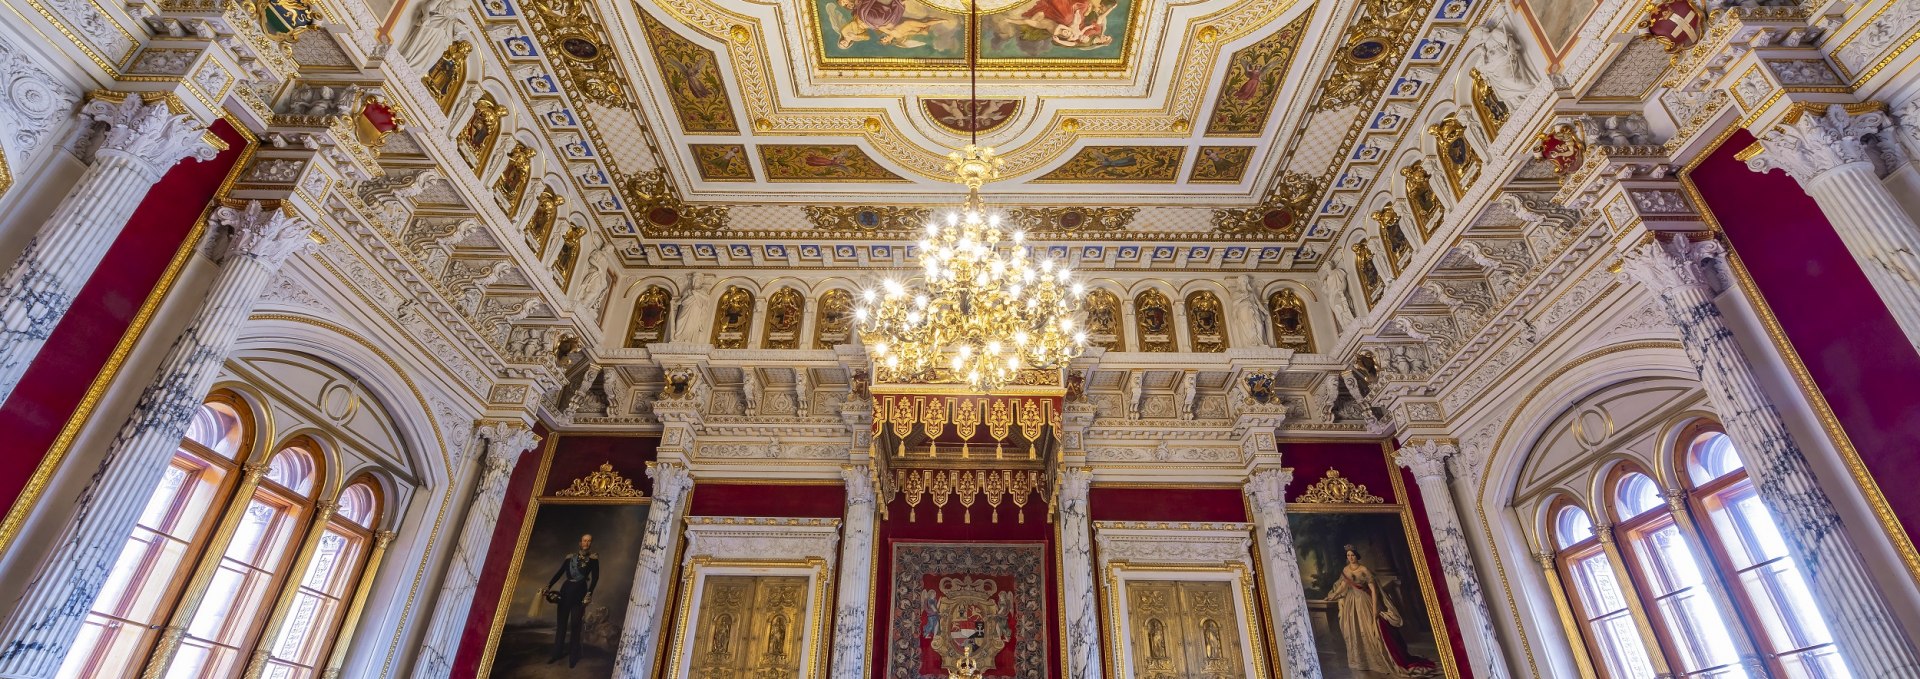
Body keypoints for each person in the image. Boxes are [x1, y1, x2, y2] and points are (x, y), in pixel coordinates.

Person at [1320, 545, 1436, 677]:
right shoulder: (1346, 569)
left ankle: (1379, 660)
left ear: (1356, 556)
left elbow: (1374, 591)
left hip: (1364, 602)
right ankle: (1363, 661)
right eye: (1348, 555)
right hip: (1351, 603)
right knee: (1355, 630)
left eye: (1352, 555)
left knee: (1371, 631)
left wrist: (1375, 609)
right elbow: (1343, 586)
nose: (1350, 558)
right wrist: (1333, 596)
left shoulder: (1364, 570)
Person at [542, 534, 600, 667]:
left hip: (580, 592)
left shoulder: (593, 559)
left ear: (591, 544)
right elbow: (559, 572)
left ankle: (573, 657)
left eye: (589, 541)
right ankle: (556, 654)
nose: (587, 543)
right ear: (580, 543)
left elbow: (595, 578)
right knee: (561, 624)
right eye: (585, 540)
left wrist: (589, 594)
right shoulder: (570, 558)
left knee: (575, 625)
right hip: (566, 591)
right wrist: (548, 586)